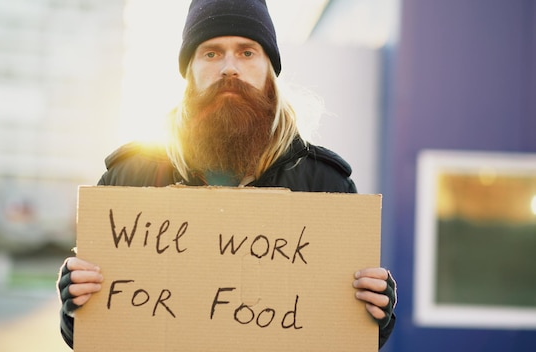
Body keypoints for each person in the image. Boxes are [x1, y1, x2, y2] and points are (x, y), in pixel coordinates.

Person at [57, 0, 397, 349]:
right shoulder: (129, 178)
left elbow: (350, 336)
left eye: (247, 52)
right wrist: (75, 306)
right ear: (189, 73)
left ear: (269, 71)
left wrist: (376, 313)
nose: (229, 68)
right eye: (212, 53)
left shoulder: (325, 185)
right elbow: (95, 336)